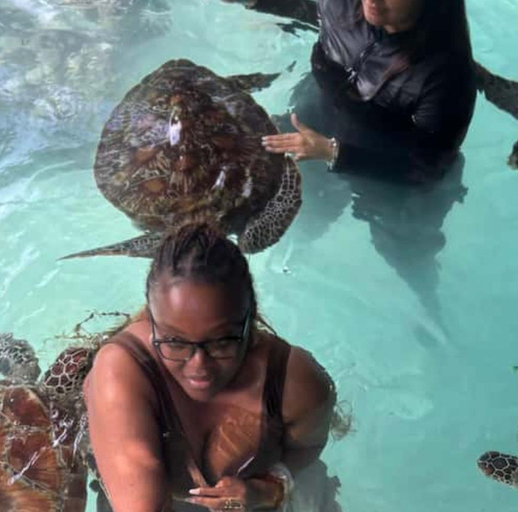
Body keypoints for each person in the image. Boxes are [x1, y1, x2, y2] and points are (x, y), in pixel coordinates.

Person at [83, 223, 344, 512]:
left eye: (221, 343)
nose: (199, 366)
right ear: (153, 322)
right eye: (175, 342)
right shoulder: (122, 369)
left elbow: (306, 450)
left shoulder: (293, 384)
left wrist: (270, 487)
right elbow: (140, 503)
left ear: (250, 317)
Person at [261, 0, 477, 184]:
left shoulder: (446, 77)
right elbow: (306, 10)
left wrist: (332, 153)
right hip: (317, 109)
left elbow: (430, 166)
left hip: (383, 159)